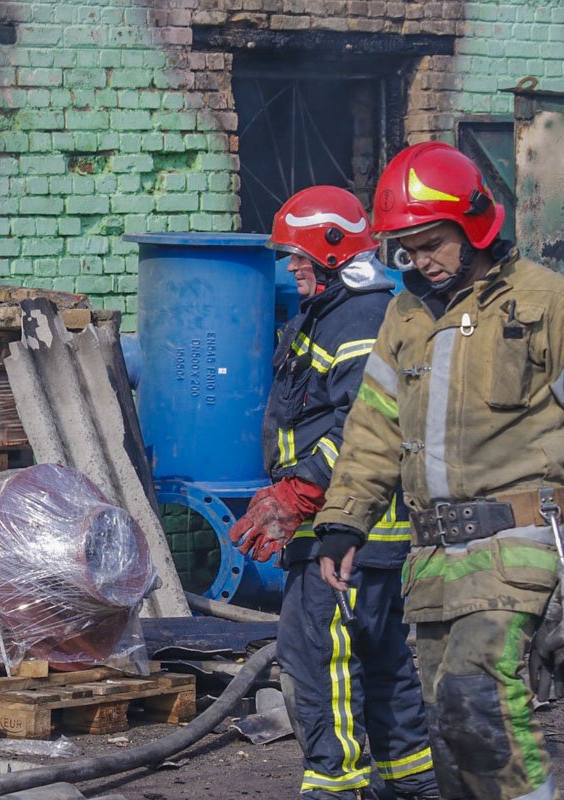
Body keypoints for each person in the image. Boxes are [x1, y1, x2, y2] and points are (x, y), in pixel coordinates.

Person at [313, 141, 564, 800]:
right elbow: (372, 427)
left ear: (474, 224)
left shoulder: (546, 302)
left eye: (433, 243)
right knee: (451, 731)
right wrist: (342, 522)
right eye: (408, 249)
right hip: (434, 562)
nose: (421, 261)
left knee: (477, 698)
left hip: (520, 546)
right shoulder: (405, 315)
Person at [230, 185, 438, 800]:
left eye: (299, 257)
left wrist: (300, 491)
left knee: (320, 654)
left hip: (345, 524)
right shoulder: (347, 311)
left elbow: (361, 420)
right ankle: (410, 780)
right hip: (361, 525)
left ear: (333, 250)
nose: (291, 269)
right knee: (381, 658)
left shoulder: (355, 317)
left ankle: (336, 784)